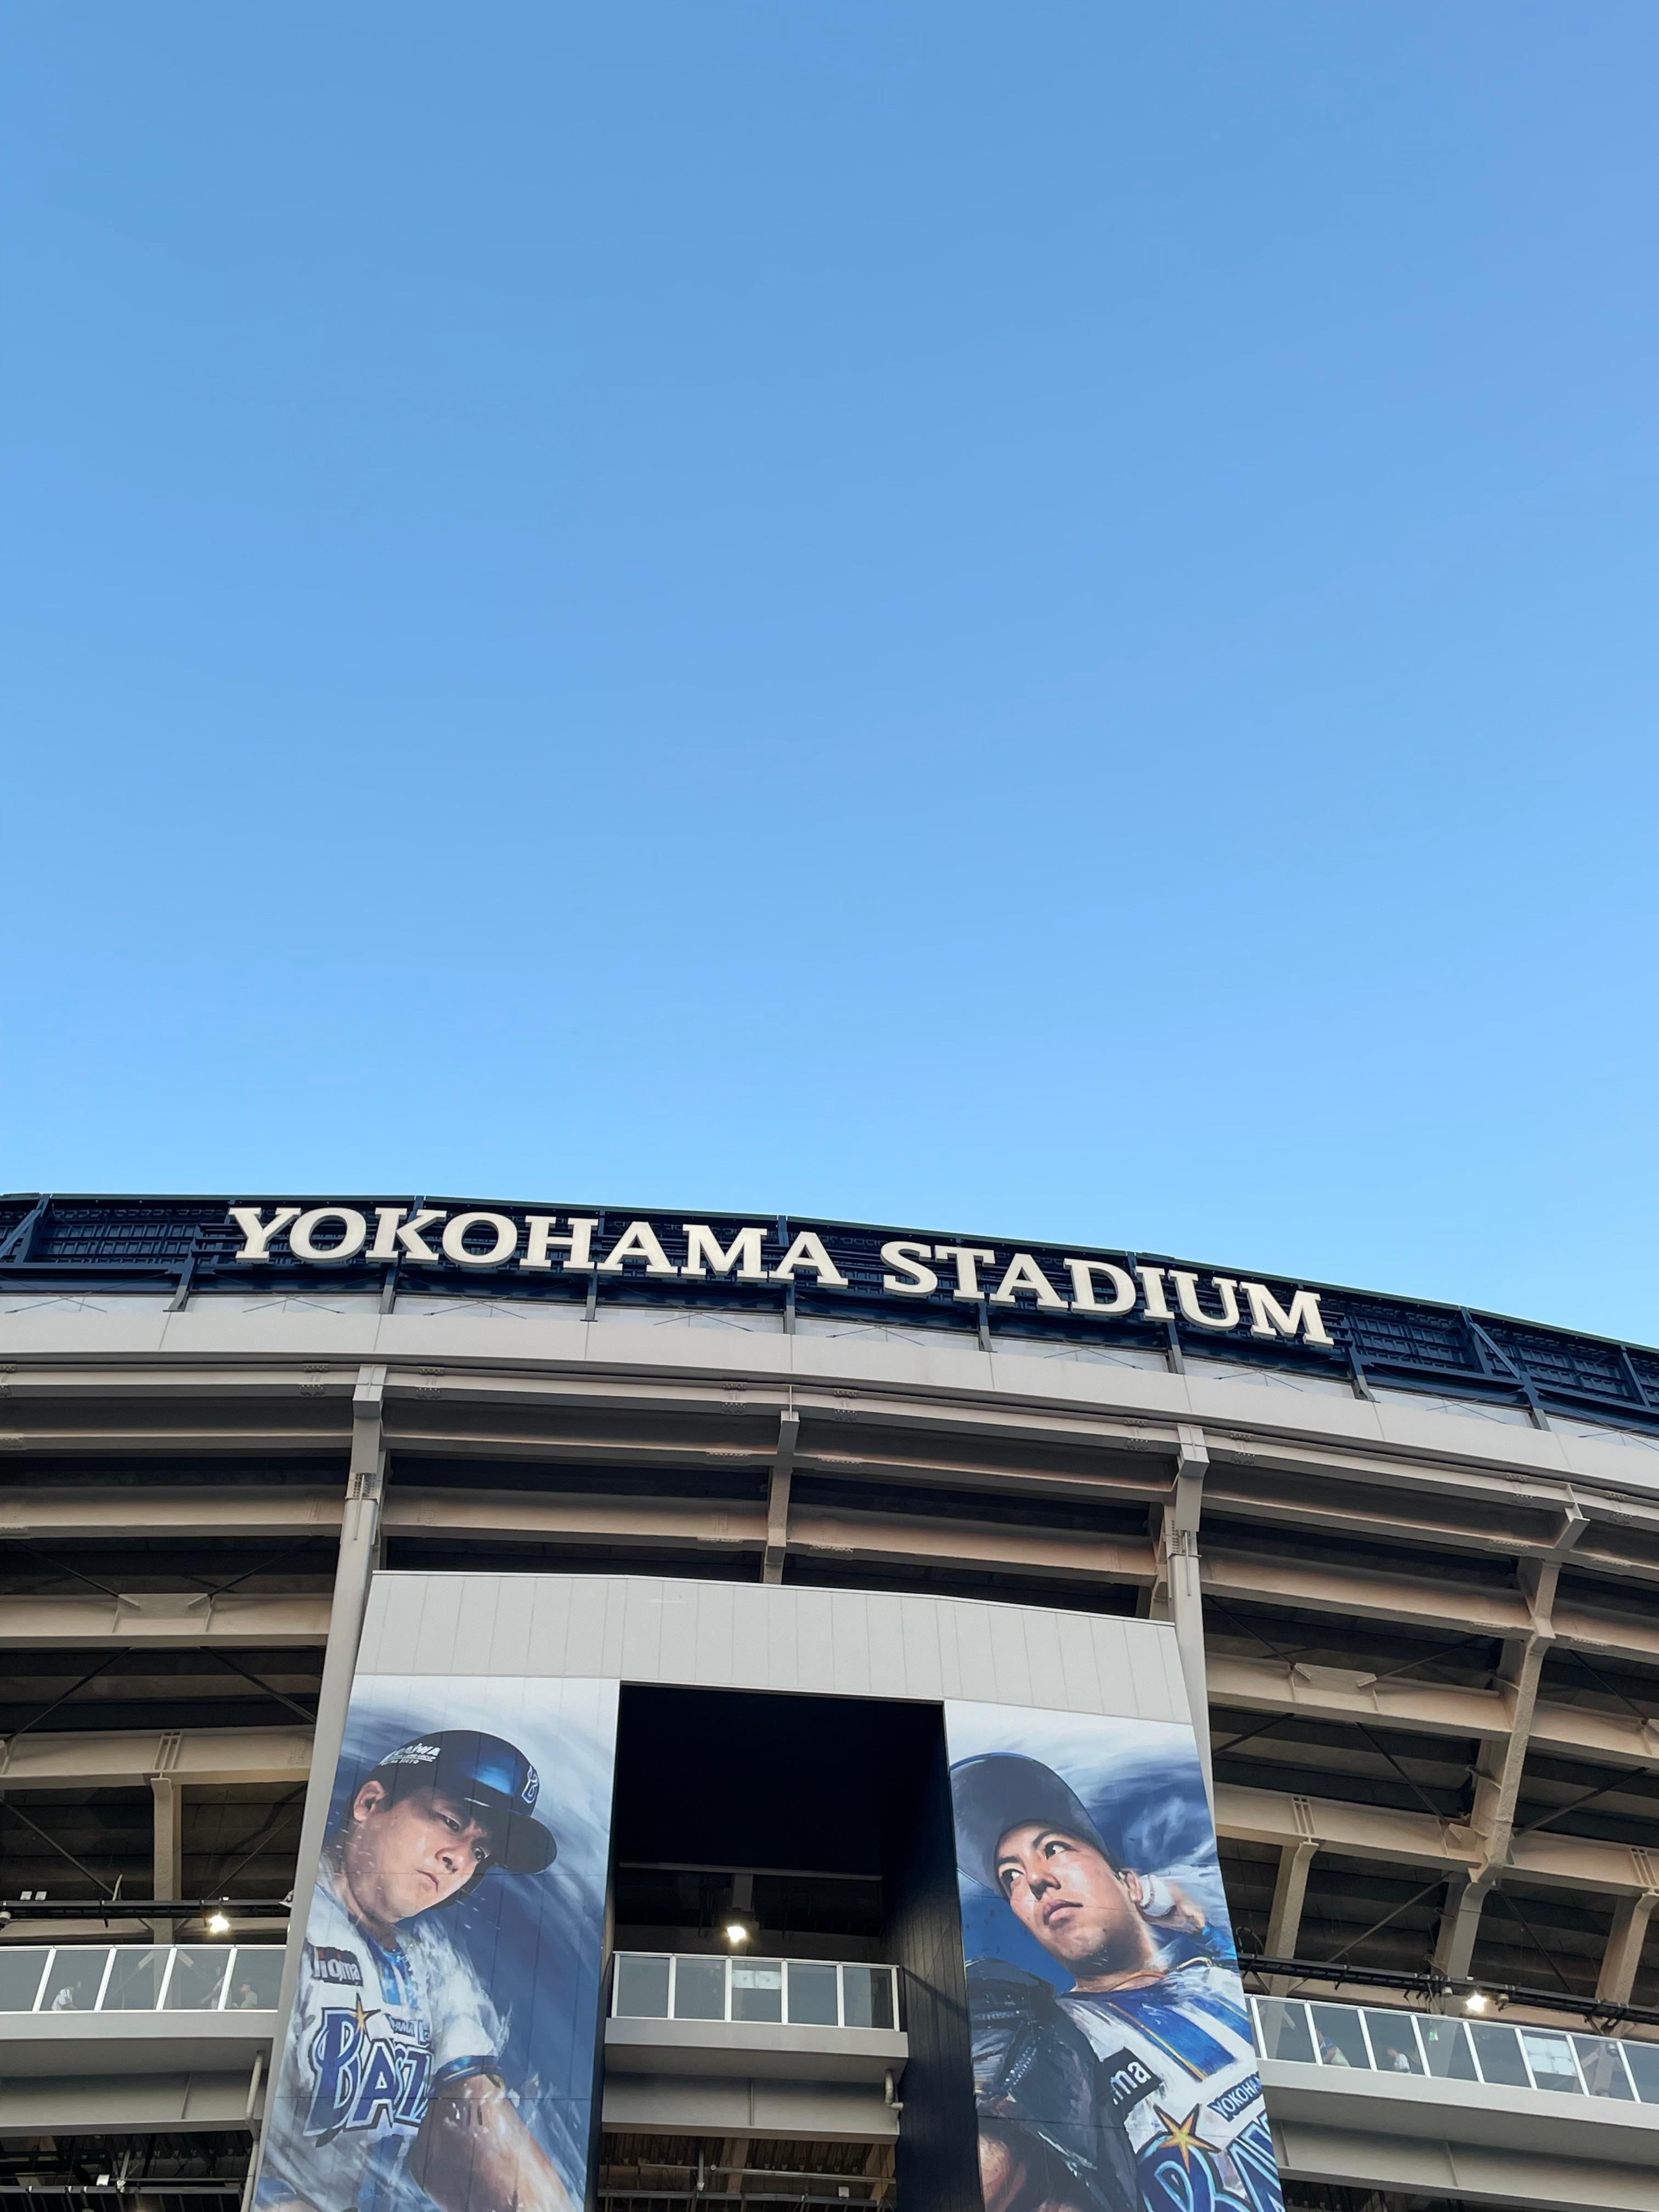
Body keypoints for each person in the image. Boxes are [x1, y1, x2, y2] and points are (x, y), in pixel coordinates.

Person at [256, 1730, 575, 2212]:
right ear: (369, 1803)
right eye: (451, 1820)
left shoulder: (434, 1967)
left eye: (480, 1852)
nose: (459, 1859)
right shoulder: (287, 1930)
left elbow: (482, 2132)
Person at [952, 1753, 1283, 2212]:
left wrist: (1175, 1907)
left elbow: (1216, 1940)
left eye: (1053, 1849)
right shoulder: (1047, 2034)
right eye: (1011, 1878)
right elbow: (994, 2160)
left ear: (1127, 1880)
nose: (1036, 1881)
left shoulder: (1218, 1985)